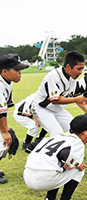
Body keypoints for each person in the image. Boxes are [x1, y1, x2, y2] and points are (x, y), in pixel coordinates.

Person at [23, 115, 87, 200]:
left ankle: (49, 198)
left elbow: (30, 148)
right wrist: (78, 164)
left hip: (27, 175)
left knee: (57, 167)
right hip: (43, 180)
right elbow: (66, 161)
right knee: (79, 169)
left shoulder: (55, 137)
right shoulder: (77, 142)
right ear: (86, 132)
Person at [31, 51, 87, 137]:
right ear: (68, 67)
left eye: (82, 68)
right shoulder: (53, 76)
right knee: (57, 134)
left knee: (76, 131)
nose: (81, 72)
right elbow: (55, 100)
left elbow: (79, 99)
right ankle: (38, 146)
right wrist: (75, 99)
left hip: (58, 109)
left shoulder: (74, 79)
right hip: (42, 108)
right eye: (78, 69)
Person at [0, 53, 29, 184]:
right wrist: (4, 131)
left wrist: (5, 128)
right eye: (17, 70)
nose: (20, 73)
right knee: (3, 143)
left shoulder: (7, 82)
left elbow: (3, 110)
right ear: (5, 71)